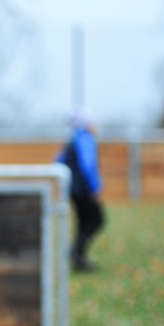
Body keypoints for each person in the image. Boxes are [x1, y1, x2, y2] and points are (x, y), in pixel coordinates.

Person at [56, 108, 105, 272]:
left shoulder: (74, 138)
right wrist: (95, 187)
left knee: (84, 222)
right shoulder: (85, 138)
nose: (95, 125)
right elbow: (88, 164)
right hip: (84, 189)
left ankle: (79, 258)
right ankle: (76, 251)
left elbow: (58, 161)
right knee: (97, 220)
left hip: (73, 189)